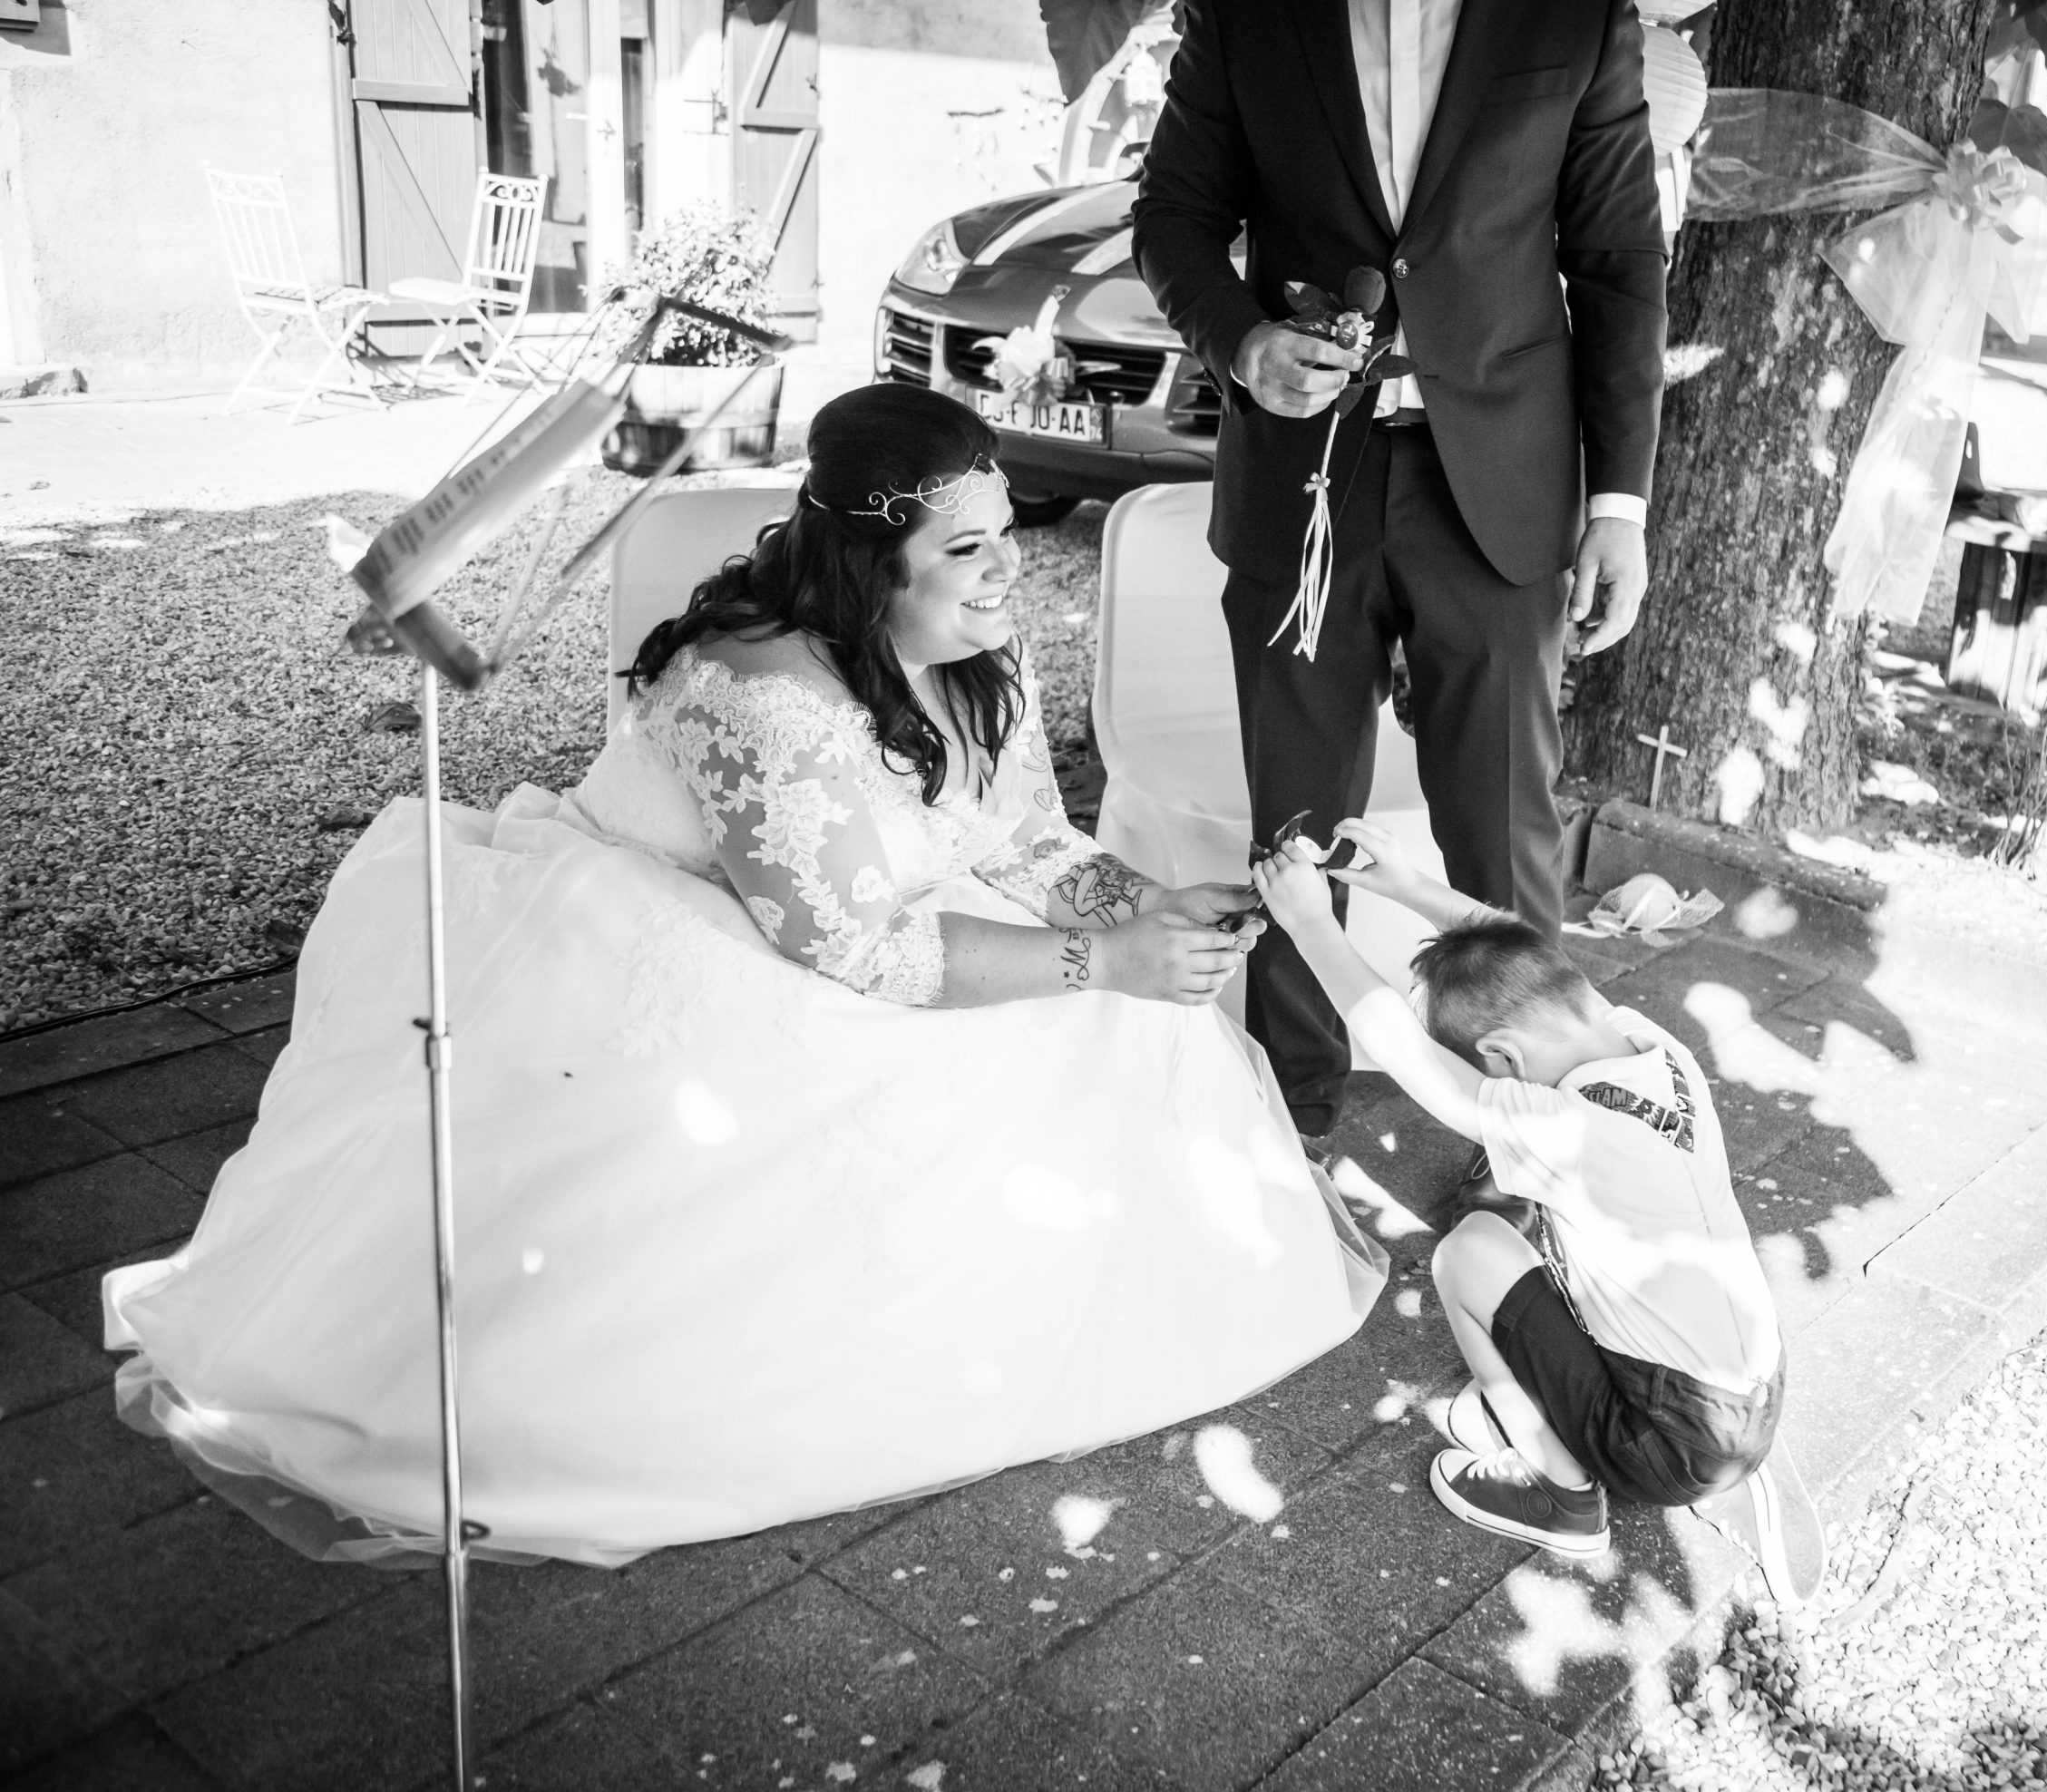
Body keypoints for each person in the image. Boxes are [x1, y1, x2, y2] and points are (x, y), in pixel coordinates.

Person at [102, 384, 1385, 1569]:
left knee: (1132, 1018)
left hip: (865, 913)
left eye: (1005, 534)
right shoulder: (753, 688)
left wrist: (1146, 907)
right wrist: (1104, 959)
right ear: (869, 562)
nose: (1007, 570)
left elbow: (1019, 837)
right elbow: (859, 952)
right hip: (683, 946)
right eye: (967, 548)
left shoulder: (977, 637)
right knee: (1028, 1033)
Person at [1131, 0, 1668, 1147]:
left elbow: (1618, 258)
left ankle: (1528, 1135)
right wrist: (1241, 342)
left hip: (1504, 486)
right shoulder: (1245, 12)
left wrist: (1618, 504)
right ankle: (1292, 1119)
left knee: (1504, 831)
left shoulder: (1578, 17)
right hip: (1301, 479)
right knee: (1294, 825)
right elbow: (1173, 215)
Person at [1250, 823, 1823, 1603]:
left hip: (1668, 1440)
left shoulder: (1564, 1128)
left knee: (1466, 1256)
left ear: (1505, 1061)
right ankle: (1707, 1454)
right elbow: (1539, 961)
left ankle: (1563, 1494)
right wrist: (1408, 885)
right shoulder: (1656, 1048)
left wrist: (1310, 923)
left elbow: (1410, 1057)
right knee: (1532, 1228)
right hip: (1758, 1384)